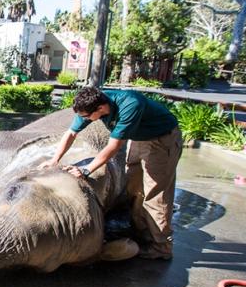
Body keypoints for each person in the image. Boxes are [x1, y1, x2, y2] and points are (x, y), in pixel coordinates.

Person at [40, 87, 182, 260]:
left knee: (155, 194)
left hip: (162, 139)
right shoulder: (91, 104)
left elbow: (114, 146)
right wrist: (55, 159)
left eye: (85, 117)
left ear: (100, 109)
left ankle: (162, 247)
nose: (83, 120)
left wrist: (86, 170)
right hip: (140, 138)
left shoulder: (130, 105)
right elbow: (71, 133)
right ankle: (142, 233)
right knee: (134, 188)